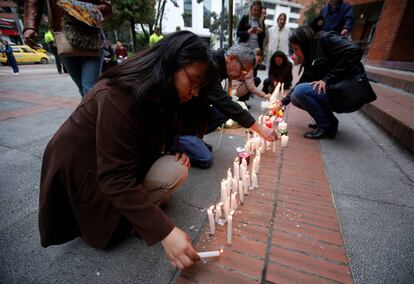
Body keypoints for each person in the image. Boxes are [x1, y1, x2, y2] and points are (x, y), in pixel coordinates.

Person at [38, 31, 217, 270]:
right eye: (193, 82)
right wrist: (165, 232)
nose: (194, 93)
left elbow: (164, 133)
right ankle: (116, 221)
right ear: (171, 62)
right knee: (117, 221)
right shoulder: (121, 93)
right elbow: (114, 178)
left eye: (199, 87)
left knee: (175, 168)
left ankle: (130, 216)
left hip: (114, 164)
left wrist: (175, 148)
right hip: (83, 173)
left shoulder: (161, 93)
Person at [177, 44, 276, 168]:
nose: (242, 76)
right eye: (243, 70)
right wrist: (259, 128)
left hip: (192, 113)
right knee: (205, 159)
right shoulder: (211, 65)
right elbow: (223, 102)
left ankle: (194, 138)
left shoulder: (220, 65)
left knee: (223, 112)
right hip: (177, 119)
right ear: (232, 58)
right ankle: (177, 141)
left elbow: (219, 102)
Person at [280, 26, 363, 139]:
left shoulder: (325, 39)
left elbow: (355, 50)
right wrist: (282, 103)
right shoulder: (311, 57)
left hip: (347, 92)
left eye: (296, 49)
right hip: (331, 90)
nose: (296, 53)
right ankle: (329, 121)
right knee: (295, 97)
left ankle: (326, 128)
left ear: (304, 44)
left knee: (300, 92)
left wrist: (326, 79)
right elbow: (302, 81)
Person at [24, 0, 112, 97]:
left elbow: (106, 5)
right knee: (84, 89)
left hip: (91, 36)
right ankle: (98, 110)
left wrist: (82, 10)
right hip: (63, 34)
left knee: (88, 88)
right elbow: (33, 2)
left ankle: (100, 110)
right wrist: (30, 26)